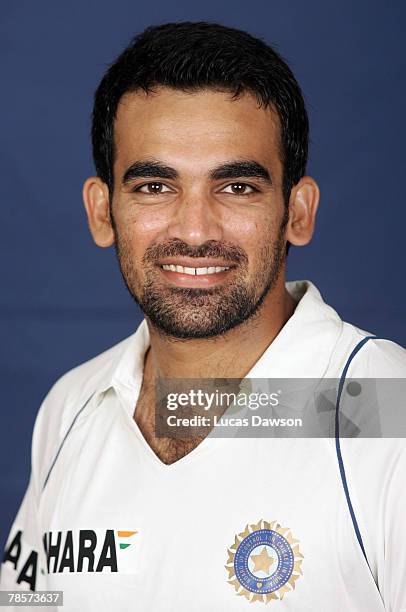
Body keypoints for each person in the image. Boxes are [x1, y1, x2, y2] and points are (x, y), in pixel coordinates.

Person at [1, 21, 405, 612]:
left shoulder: (387, 410)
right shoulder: (73, 404)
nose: (195, 230)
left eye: (238, 187)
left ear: (298, 211)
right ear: (101, 211)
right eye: (154, 186)